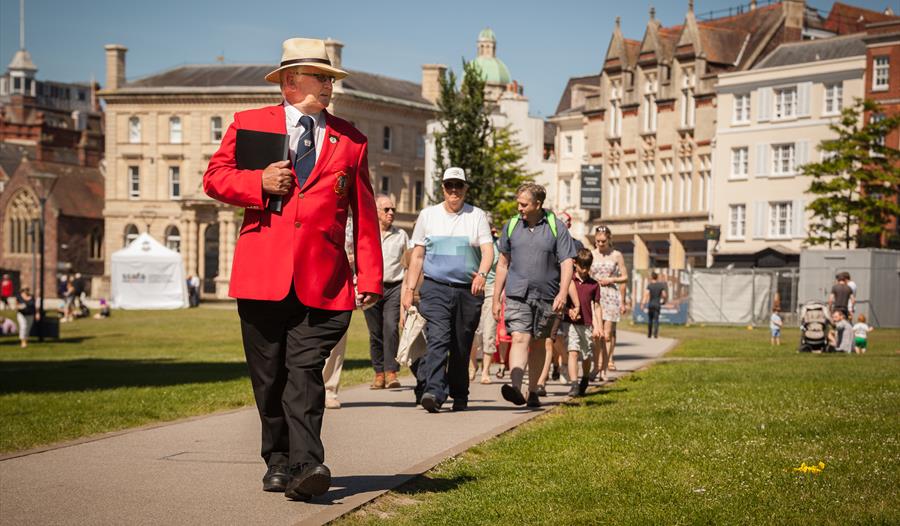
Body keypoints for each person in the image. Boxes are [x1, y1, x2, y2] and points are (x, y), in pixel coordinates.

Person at [203, 37, 382, 501]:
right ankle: (277, 460)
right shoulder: (250, 124)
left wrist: (372, 277)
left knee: (304, 373)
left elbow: (364, 216)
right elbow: (214, 178)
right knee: (270, 379)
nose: (328, 86)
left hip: (323, 281)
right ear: (289, 81)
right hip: (262, 275)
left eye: (330, 79)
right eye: (320, 77)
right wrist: (256, 182)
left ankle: (307, 466)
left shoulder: (352, 140)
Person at [402, 167, 493, 413]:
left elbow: (487, 251)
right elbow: (418, 255)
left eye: (458, 186)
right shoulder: (428, 215)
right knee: (438, 340)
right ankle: (434, 391)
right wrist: (410, 288)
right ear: (442, 188)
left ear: (465, 188)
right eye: (449, 185)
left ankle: (460, 393)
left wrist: (482, 275)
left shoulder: (476, 215)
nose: (454, 190)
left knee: (461, 345)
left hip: (467, 291)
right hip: (435, 288)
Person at [493, 183, 577, 408]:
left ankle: (533, 391)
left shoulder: (556, 227)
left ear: (537, 204)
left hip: (547, 295)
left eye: (524, 204)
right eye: (518, 203)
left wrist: (562, 292)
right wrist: (495, 297)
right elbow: (502, 264)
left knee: (539, 343)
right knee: (520, 337)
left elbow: (567, 262)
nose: (519, 208)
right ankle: (516, 388)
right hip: (517, 294)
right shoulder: (511, 226)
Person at [365, 194, 408, 390]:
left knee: (390, 327)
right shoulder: (367, 233)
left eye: (393, 210)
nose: (391, 213)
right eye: (387, 209)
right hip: (371, 287)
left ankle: (391, 372)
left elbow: (408, 265)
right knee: (375, 332)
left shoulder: (401, 235)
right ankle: (379, 374)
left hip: (394, 287)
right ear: (376, 212)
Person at [590, 226, 628, 379]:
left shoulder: (616, 255)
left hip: (611, 295)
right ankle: (595, 366)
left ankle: (603, 368)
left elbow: (625, 277)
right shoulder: (591, 254)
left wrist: (611, 279)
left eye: (603, 241)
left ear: (609, 239)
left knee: (606, 335)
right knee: (595, 334)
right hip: (595, 294)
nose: (600, 244)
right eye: (598, 241)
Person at [566, 249, 602, 397]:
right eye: (582, 266)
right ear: (575, 264)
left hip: (587, 323)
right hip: (571, 323)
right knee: (573, 351)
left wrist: (598, 326)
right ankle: (574, 384)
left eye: (588, 266)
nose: (585, 270)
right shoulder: (569, 281)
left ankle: (585, 378)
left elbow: (597, 306)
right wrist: (569, 311)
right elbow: (563, 301)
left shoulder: (594, 284)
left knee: (586, 355)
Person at [469, 224, 500, 384]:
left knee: (489, 331)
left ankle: (486, 370)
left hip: (492, 289)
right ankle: (472, 365)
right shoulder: (472, 242)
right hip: (473, 288)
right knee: (474, 331)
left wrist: (501, 294)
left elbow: (503, 268)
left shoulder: (498, 244)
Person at [641, 271, 668, 339]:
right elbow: (664, 295)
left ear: (651, 277)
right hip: (657, 304)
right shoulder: (660, 285)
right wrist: (664, 301)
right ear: (657, 277)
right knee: (656, 319)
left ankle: (649, 334)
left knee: (650, 319)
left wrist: (643, 304)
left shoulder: (649, 285)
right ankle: (655, 334)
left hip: (651, 304)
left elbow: (646, 295)